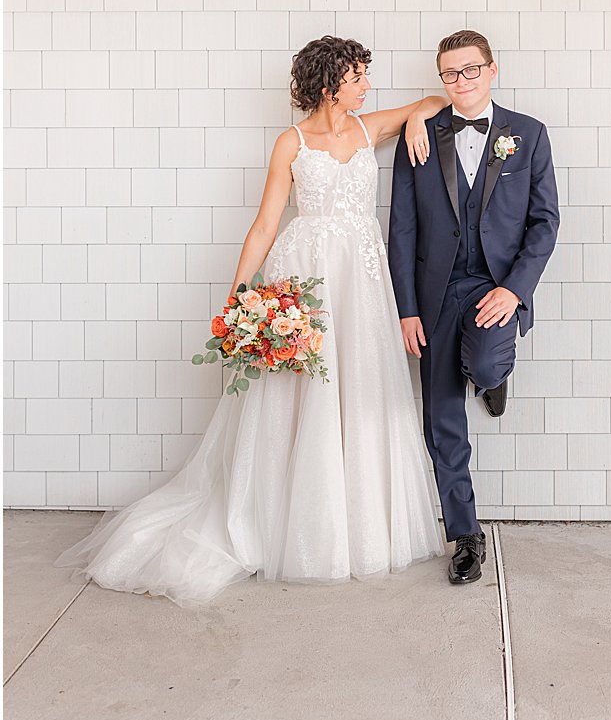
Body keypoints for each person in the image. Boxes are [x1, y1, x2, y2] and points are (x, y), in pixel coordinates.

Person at [58, 37, 451, 607]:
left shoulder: (372, 128)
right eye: (359, 76)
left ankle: (358, 525)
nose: (368, 85)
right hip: (306, 275)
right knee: (300, 396)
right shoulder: (290, 143)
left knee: (360, 387)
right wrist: (239, 294)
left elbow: (439, 98)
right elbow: (267, 223)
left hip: (361, 280)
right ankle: (290, 521)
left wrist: (415, 120)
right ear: (329, 83)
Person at [389, 30, 559, 585]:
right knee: (440, 419)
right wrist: (406, 308)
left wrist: (514, 290)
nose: (460, 83)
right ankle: (464, 534)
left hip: (495, 286)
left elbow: (544, 222)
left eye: (470, 71)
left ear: (492, 70)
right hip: (435, 293)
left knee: (485, 363)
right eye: (449, 74)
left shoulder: (528, 135)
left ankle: (490, 373)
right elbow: (403, 227)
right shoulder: (420, 136)